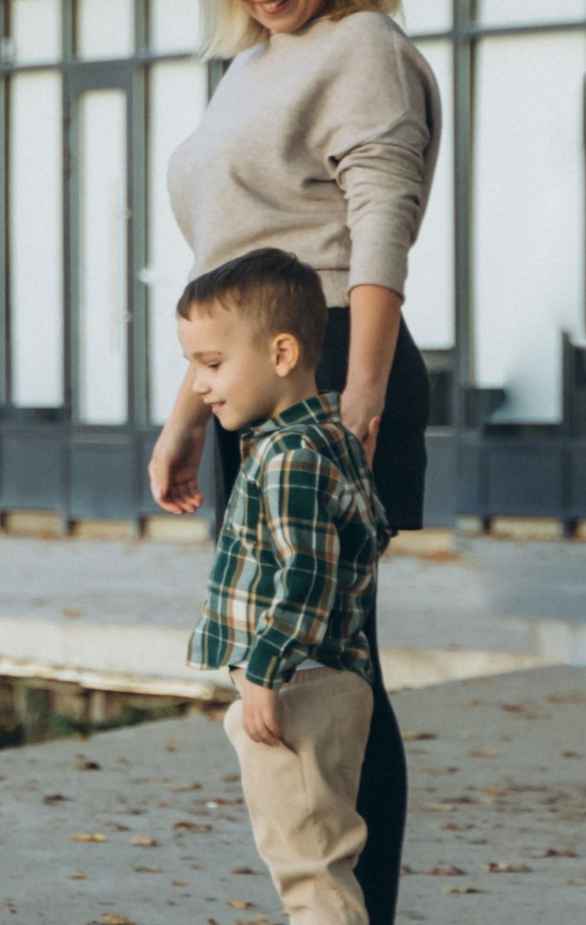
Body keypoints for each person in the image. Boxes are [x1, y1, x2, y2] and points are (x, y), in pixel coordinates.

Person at [150, 0, 440, 925]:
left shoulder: (361, 44)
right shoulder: (244, 68)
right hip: (253, 380)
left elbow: (377, 231)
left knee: (330, 662)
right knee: (312, 661)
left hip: (325, 374)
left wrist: (356, 391)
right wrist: (187, 410)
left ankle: (353, 907)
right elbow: (226, 262)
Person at [179, 247, 392, 925]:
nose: (197, 384)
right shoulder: (327, 438)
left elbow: (306, 579)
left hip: (298, 684)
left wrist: (264, 673)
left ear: (281, 353)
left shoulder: (291, 459)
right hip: (314, 681)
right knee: (315, 859)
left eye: (211, 364)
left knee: (311, 873)